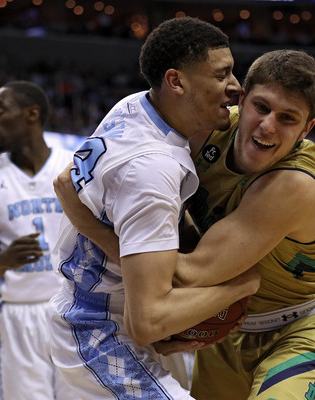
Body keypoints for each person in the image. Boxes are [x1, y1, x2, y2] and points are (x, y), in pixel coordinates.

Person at [56, 49, 315, 399]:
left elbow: (188, 273)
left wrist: (89, 224)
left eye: (288, 118)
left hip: (302, 326)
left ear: (307, 129)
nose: (268, 125)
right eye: (261, 107)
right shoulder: (206, 130)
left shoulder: (295, 184)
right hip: (229, 328)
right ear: (242, 100)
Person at [47, 16, 260, 400]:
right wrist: (243, 284)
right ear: (176, 81)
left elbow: (65, 182)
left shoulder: (135, 105)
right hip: (100, 326)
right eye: (222, 74)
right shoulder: (152, 170)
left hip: (97, 300)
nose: (236, 86)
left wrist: (87, 222)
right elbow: (148, 321)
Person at [0, 80, 76, 400]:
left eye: (0, 111)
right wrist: (2, 260)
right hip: (18, 318)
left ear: (31, 114)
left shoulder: (74, 167)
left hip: (76, 311)